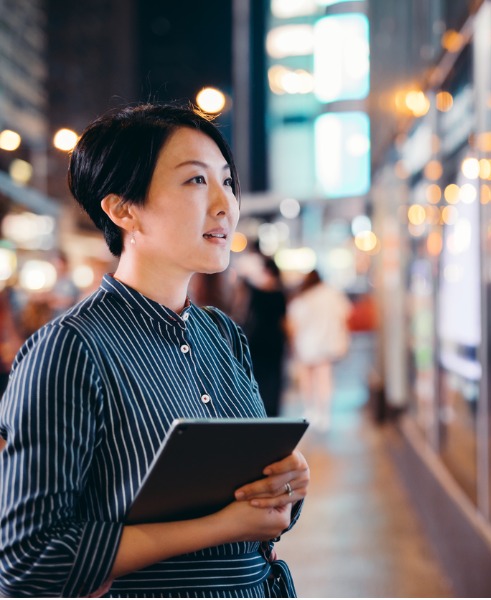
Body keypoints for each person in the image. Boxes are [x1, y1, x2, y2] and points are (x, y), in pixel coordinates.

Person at [0, 103, 310, 597]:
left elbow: (258, 517)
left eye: (226, 181)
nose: (225, 205)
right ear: (123, 208)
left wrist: (286, 486)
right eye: (195, 181)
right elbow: (30, 562)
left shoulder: (222, 335)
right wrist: (224, 526)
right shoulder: (71, 348)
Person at [286, 269, 352, 431]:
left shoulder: (302, 297)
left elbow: (293, 322)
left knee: (307, 379)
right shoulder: (332, 294)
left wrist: (292, 344)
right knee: (324, 379)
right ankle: (324, 413)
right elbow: (346, 313)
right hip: (327, 344)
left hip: (306, 344)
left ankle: (310, 410)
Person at [241, 254, 288, 417]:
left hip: (258, 338)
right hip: (275, 339)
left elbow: (248, 316)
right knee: (274, 376)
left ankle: (259, 408)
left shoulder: (256, 292)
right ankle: (273, 410)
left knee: (258, 375)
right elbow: (284, 320)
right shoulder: (280, 293)